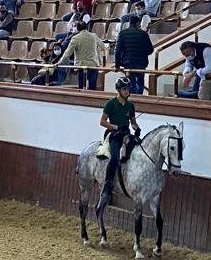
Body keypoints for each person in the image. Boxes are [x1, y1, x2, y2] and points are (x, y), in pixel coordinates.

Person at [96, 76, 142, 211]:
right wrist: (116, 127)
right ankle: (108, 184)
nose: (127, 91)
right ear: (118, 90)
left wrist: (137, 128)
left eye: (128, 89)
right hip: (114, 135)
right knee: (115, 158)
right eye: (124, 89)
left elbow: (133, 122)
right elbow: (102, 121)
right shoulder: (110, 104)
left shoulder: (130, 105)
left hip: (126, 134)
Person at [57, 20, 103, 90]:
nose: (73, 28)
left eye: (74, 27)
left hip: (82, 65)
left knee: (82, 88)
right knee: (93, 88)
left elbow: (67, 53)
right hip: (94, 64)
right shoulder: (94, 36)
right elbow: (103, 46)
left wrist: (59, 62)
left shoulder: (75, 38)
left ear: (78, 28)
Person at [114, 15, 154, 94]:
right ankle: (139, 99)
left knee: (130, 83)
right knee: (140, 82)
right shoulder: (143, 34)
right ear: (138, 23)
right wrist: (143, 54)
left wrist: (117, 65)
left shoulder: (123, 33)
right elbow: (150, 50)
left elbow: (118, 51)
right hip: (141, 63)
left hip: (128, 62)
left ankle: (132, 100)